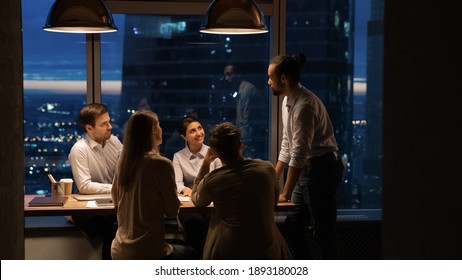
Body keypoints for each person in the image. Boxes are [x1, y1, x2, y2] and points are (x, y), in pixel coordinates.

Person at [267, 53, 344, 259]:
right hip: (307, 169)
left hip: (321, 169)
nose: (268, 82)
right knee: (293, 226)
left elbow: (299, 153)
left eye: (270, 77)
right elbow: (287, 143)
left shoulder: (304, 105)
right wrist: (273, 178)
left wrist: (284, 193)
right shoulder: (287, 101)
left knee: (323, 231)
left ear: (283, 78)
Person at [191, 122, 291, 260]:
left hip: (227, 251)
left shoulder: (213, 180)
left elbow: (197, 201)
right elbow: (273, 201)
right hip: (268, 249)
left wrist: (206, 163)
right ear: (241, 145)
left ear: (214, 153)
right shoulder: (267, 169)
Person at [111, 110, 197, 259]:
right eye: (159, 125)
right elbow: (171, 211)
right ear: (154, 130)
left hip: (119, 249)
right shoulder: (160, 164)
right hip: (146, 252)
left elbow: (115, 198)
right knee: (195, 252)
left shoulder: (124, 162)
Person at [68, 103, 123, 259]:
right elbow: (84, 186)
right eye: (104, 124)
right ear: (89, 128)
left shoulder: (115, 142)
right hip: (84, 208)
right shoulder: (79, 149)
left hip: (111, 203)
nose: (110, 127)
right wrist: (116, 187)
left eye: (109, 121)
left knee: (128, 230)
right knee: (112, 234)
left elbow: (128, 170)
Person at [172, 115, 222, 256]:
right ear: (183, 136)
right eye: (192, 131)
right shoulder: (178, 156)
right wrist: (185, 189)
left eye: (199, 128)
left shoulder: (213, 152)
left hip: (212, 203)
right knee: (195, 222)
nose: (199, 133)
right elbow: (177, 183)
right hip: (191, 206)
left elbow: (219, 178)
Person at [221, 64, 267, 159]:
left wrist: (241, 141)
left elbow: (248, 120)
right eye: (226, 75)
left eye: (229, 74)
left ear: (239, 74)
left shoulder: (247, 91)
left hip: (252, 138)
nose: (227, 78)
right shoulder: (241, 90)